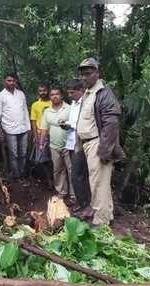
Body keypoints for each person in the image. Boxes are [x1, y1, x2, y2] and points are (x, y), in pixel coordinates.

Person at [77, 57, 125, 226]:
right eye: (82, 74)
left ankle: (101, 221)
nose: (84, 77)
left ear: (97, 73)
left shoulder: (103, 93)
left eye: (88, 74)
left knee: (98, 184)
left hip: (99, 143)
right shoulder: (88, 92)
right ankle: (106, 215)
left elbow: (111, 124)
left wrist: (104, 150)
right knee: (99, 183)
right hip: (89, 144)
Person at [61, 79, 92, 215]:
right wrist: (66, 124)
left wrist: (71, 125)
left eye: (72, 92)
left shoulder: (85, 104)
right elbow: (74, 121)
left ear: (81, 91)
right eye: (68, 93)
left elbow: (85, 123)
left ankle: (84, 203)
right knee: (78, 175)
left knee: (77, 175)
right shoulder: (73, 104)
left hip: (81, 143)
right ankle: (82, 202)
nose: (70, 95)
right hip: (71, 142)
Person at [39, 87, 75, 200]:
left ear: (62, 96)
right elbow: (44, 129)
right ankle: (62, 192)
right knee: (58, 170)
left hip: (69, 145)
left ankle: (74, 194)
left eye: (57, 94)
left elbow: (75, 125)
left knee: (72, 169)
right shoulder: (47, 111)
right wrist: (41, 143)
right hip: (54, 145)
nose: (54, 96)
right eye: (52, 95)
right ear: (50, 97)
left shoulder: (69, 108)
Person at [0, 73, 31, 179]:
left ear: (16, 82)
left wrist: (28, 127)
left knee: (23, 153)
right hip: (10, 130)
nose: (11, 83)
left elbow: (25, 111)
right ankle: (16, 175)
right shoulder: (0, 96)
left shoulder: (20, 94)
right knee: (13, 154)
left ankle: (22, 173)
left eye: (13, 81)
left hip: (23, 128)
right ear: (4, 81)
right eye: (9, 81)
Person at [30, 84, 53, 187]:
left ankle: (56, 180)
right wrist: (35, 136)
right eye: (40, 91)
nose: (42, 92)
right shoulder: (35, 105)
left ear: (48, 91)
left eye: (44, 90)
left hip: (54, 134)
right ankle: (48, 181)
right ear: (38, 92)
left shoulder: (53, 102)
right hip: (41, 135)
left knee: (55, 159)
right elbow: (34, 121)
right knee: (42, 160)